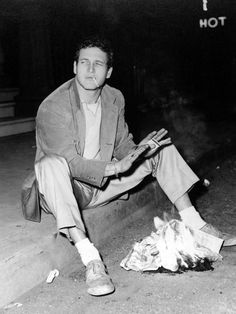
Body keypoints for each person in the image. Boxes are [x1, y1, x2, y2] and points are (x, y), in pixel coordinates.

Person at [33, 36, 236, 297]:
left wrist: (140, 151)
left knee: (159, 148)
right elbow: (70, 163)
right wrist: (116, 169)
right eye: (84, 62)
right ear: (74, 67)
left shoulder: (114, 98)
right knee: (50, 165)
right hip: (63, 190)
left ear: (109, 72)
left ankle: (196, 225)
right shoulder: (53, 105)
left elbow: (122, 147)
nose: (90, 70)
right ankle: (91, 260)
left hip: (101, 185)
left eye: (98, 64)